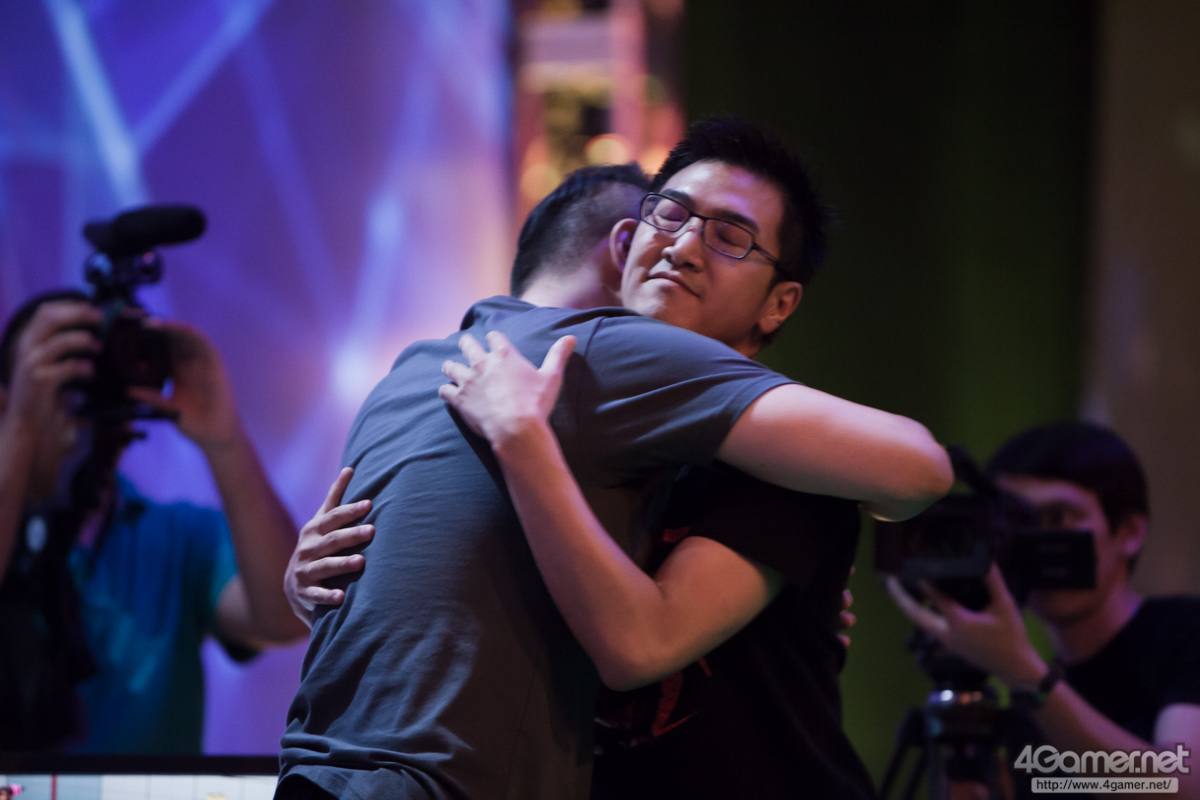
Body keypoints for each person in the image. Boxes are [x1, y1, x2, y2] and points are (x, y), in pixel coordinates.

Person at [277, 117, 953, 800]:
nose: (682, 247)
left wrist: (522, 438)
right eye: (671, 213)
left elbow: (919, 469)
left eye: (730, 236)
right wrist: (325, 582)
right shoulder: (593, 423)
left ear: (778, 304)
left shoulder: (791, 465)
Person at [0, 290, 307, 753]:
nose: (81, 412)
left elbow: (286, 618)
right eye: (62, 381)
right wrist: (20, 426)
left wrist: (225, 441)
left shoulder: (179, 538)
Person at [888, 421, 1200, 798]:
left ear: (1128, 532)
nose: (1031, 541)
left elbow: (1182, 786)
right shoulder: (1031, 710)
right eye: (1014, 524)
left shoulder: (1185, 634)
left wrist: (1024, 674)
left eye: (1059, 518)